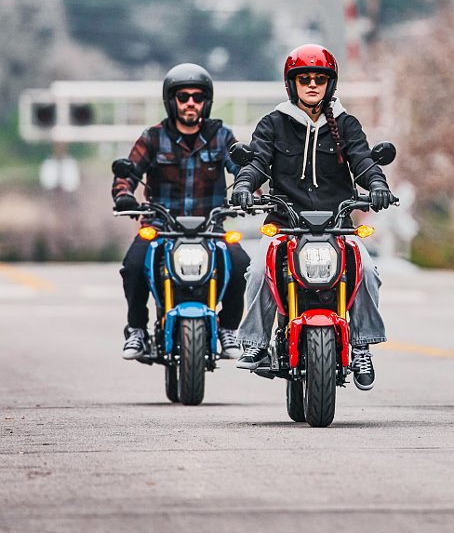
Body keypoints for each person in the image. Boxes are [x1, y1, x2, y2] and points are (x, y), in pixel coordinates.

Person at [230, 43, 394, 391]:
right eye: (304, 78)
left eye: (320, 78)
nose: (312, 85)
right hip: (285, 224)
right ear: (292, 84)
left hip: (337, 226)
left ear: (330, 83)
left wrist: (378, 185)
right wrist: (243, 185)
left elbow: (363, 161)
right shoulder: (273, 123)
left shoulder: (346, 124)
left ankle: (361, 346)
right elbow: (256, 162)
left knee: (367, 271)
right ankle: (255, 342)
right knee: (258, 271)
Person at [113, 63, 249, 361]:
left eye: (197, 97)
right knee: (133, 265)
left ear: (206, 102)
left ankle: (228, 328)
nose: (190, 103)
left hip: (211, 228)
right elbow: (128, 173)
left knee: (242, 265)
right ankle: (136, 328)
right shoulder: (153, 137)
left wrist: (247, 191)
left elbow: (244, 170)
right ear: (171, 100)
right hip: (161, 227)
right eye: (183, 96)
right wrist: (124, 195)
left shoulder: (222, 136)